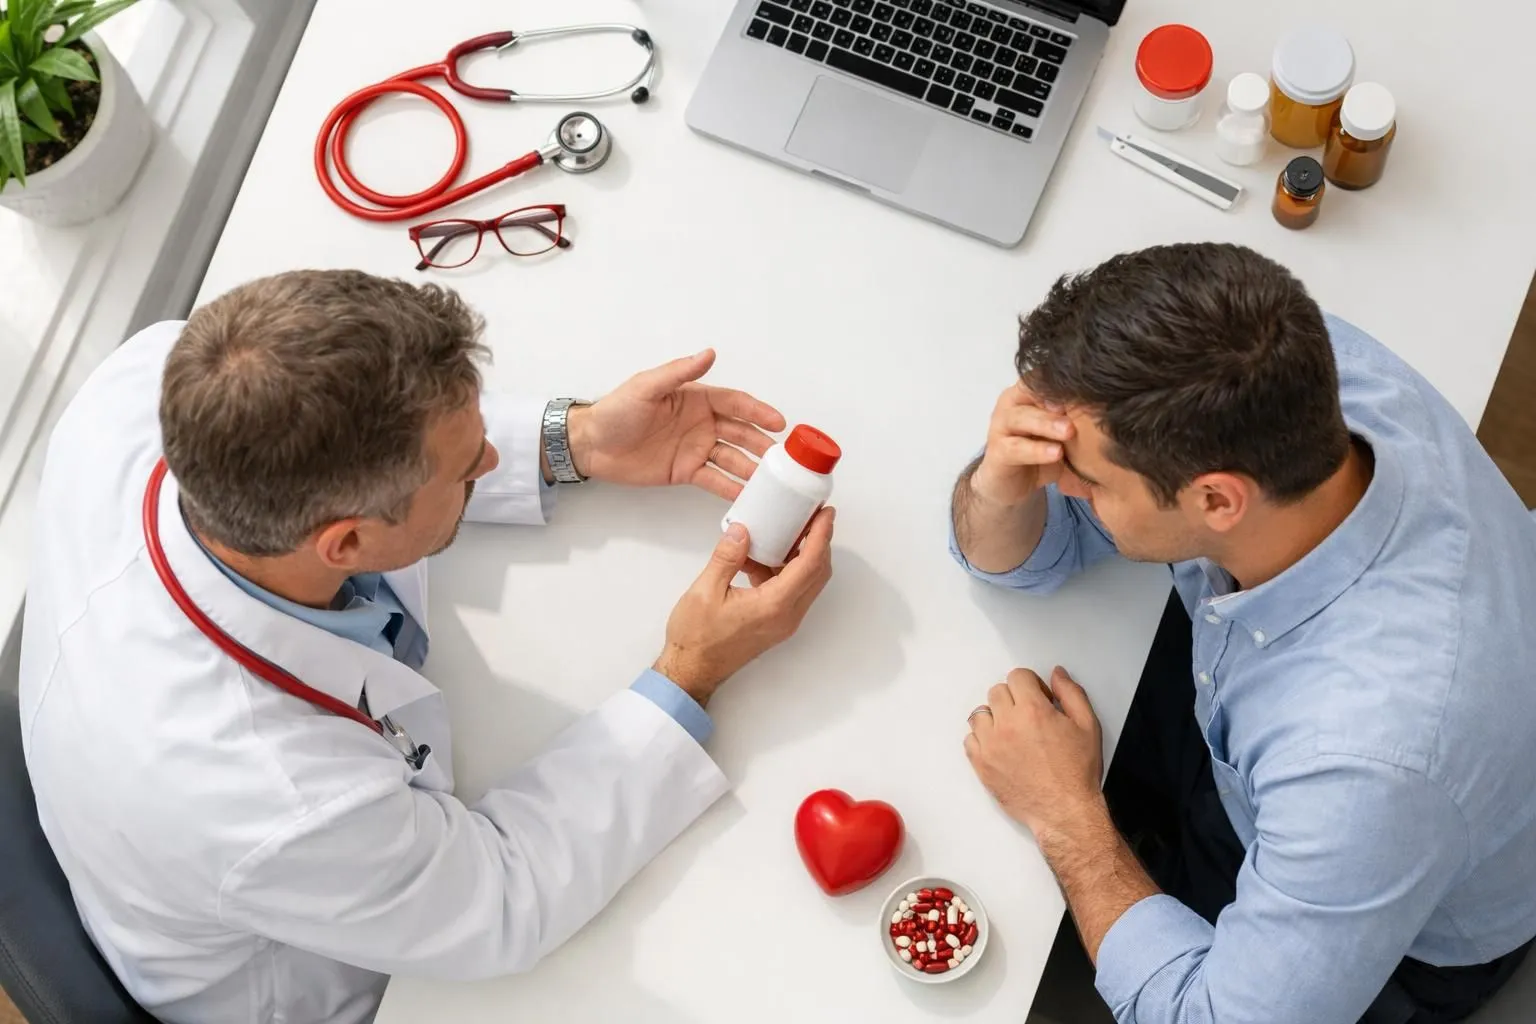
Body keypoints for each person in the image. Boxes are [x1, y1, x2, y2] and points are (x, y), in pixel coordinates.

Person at [18, 269, 835, 1024]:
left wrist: (574, 439)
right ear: (343, 545)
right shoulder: (277, 796)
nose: (490, 456)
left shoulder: (152, 376)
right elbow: (506, 900)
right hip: (317, 978)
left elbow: (395, 444)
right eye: (467, 468)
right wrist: (692, 668)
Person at [949, 243, 1536, 1024]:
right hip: (1266, 712)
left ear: (1216, 502)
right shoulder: (1273, 372)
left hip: (1395, 919)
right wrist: (999, 481)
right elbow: (1027, 554)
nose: (1063, 486)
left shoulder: (1366, 763)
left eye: (1087, 479)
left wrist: (1068, 816)